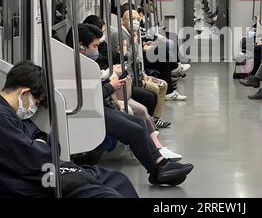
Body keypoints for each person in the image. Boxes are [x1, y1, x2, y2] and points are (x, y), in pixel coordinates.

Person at [68, 24, 194, 185]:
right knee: (134, 131)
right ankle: (157, 170)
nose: (97, 50)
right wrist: (110, 86)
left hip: (98, 107)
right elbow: (85, 97)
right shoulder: (74, 66)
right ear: (81, 46)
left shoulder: (84, 63)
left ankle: (161, 164)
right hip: (87, 111)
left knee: (139, 122)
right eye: (94, 46)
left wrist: (107, 81)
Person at [0, 61, 139, 198]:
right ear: (24, 93)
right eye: (36, 103)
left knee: (117, 179)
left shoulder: (12, 115)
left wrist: (40, 143)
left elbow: (51, 145)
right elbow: (34, 157)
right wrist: (40, 145)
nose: (33, 108)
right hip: (29, 181)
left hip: (46, 171)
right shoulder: (3, 118)